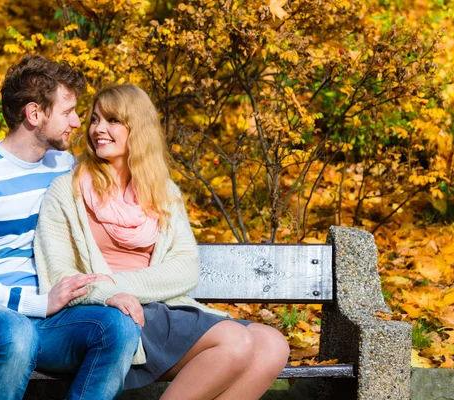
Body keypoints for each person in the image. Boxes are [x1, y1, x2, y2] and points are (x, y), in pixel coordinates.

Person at [34, 84, 290, 399]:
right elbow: (59, 277)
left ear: (137, 129)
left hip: (162, 309)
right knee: (235, 342)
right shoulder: (66, 191)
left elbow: (185, 269)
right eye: (95, 119)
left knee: (273, 345)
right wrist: (111, 294)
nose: (99, 129)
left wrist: (116, 282)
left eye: (112, 120)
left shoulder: (162, 191)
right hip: (112, 317)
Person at [0, 55, 140, 400]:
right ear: (34, 114)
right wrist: (35, 304)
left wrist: (109, 291)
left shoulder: (65, 167)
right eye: (67, 112)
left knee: (119, 328)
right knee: (15, 332)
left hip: (49, 321)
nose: (77, 122)